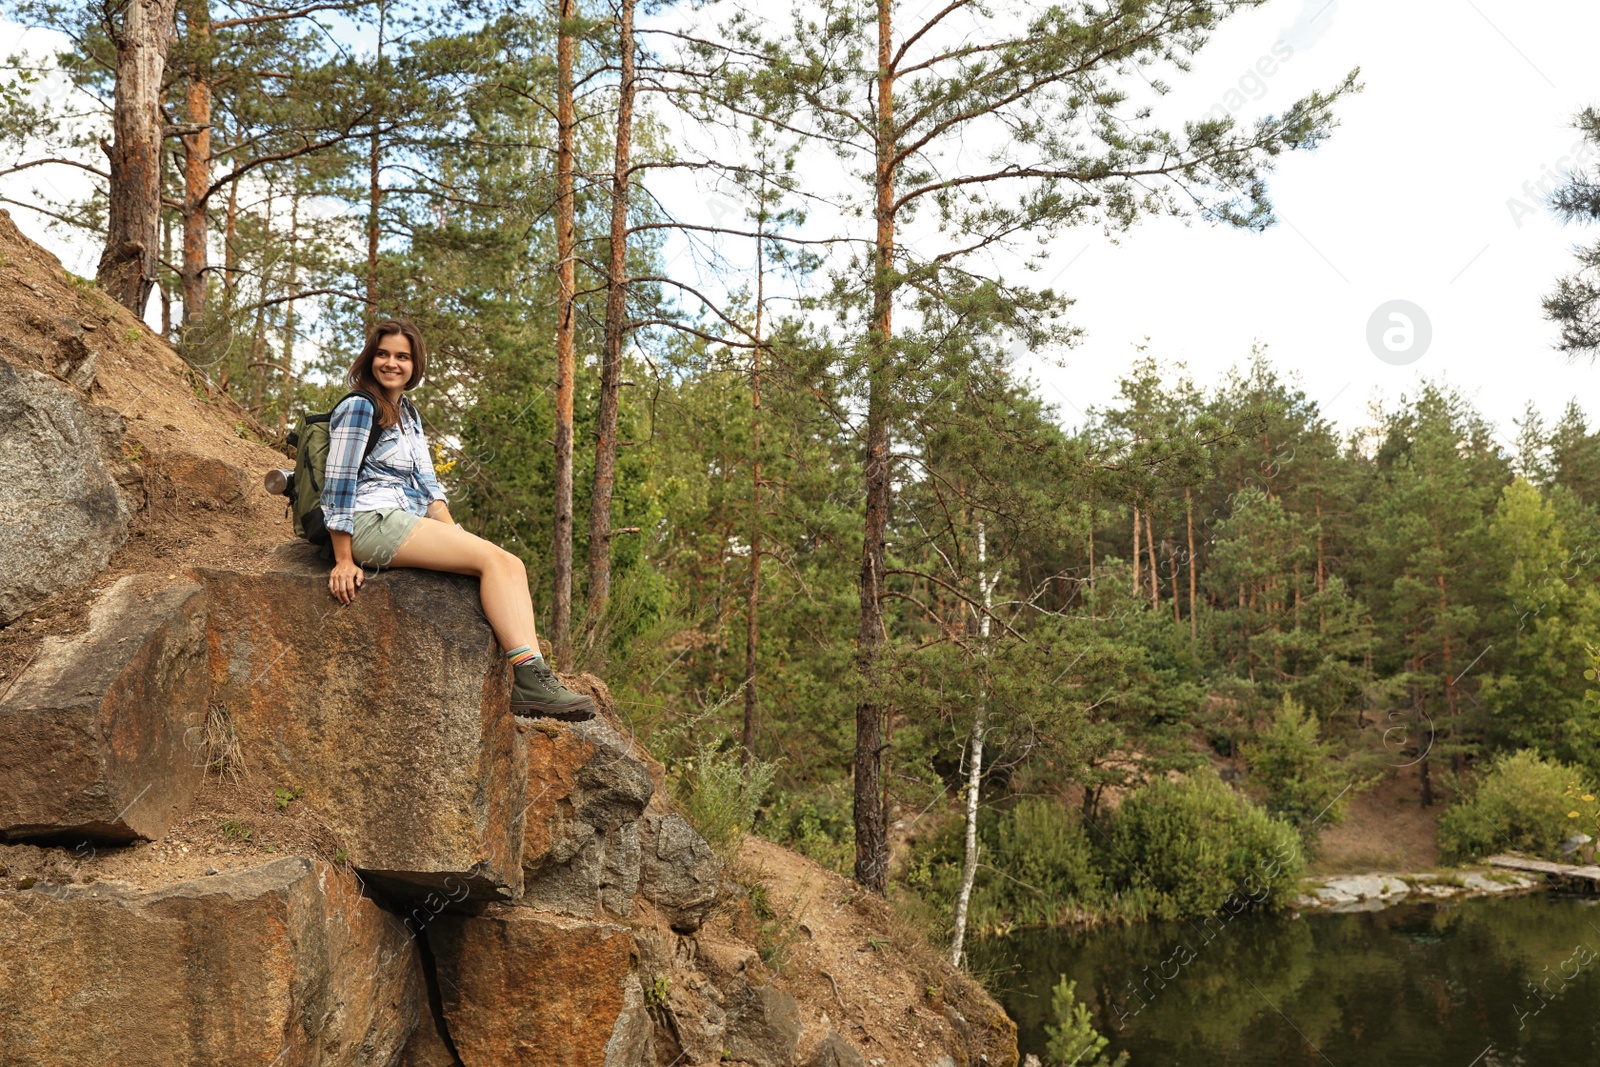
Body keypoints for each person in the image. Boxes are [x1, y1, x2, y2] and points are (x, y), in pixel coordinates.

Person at [322, 319, 594, 721]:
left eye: (402, 356)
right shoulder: (360, 406)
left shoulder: (407, 413)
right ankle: (529, 682)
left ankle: (537, 677)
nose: (391, 363)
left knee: (508, 562)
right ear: (369, 357)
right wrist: (343, 558)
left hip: (401, 518)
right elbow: (339, 482)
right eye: (383, 354)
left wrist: (456, 536)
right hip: (369, 520)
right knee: (491, 561)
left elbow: (430, 490)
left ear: (415, 365)